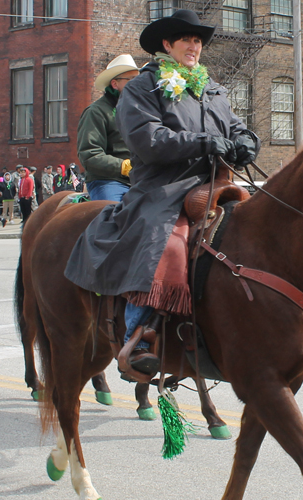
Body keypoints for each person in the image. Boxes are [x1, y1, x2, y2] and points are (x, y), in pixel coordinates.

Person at [64, 9, 260, 377]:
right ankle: (139, 336)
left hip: (218, 184)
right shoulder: (142, 87)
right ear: (167, 45)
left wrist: (247, 141)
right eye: (186, 39)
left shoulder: (212, 88)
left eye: (198, 40)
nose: (194, 46)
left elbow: (236, 126)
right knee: (166, 242)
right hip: (164, 187)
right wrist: (206, 142)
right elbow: (148, 141)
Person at [77, 55, 140, 202]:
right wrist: (123, 166)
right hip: (108, 181)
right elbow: (89, 155)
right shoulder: (96, 112)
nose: (138, 84)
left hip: (141, 179)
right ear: (114, 84)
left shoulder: (141, 109)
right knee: (112, 215)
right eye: (131, 79)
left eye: (138, 79)